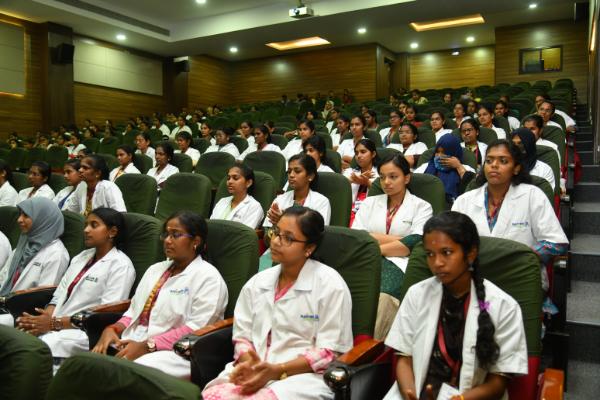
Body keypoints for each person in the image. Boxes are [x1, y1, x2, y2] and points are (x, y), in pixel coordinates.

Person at [203, 206, 353, 399]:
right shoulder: (258, 283)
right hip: (253, 370)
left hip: (303, 379)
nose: (275, 241)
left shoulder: (330, 286)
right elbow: (243, 335)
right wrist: (250, 364)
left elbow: (329, 351)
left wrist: (276, 370)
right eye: (275, 232)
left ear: (309, 248)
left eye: (288, 238)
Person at [383, 211, 528, 400]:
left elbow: (497, 383)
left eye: (447, 253)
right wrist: (411, 394)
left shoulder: (504, 306)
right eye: (430, 254)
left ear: (471, 254)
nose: (437, 263)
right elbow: (404, 358)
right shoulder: (417, 294)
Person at [92, 211, 228, 379]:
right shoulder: (154, 270)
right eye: (166, 234)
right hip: (133, 341)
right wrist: (112, 329)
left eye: (176, 235)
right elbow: (133, 312)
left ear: (196, 241)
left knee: (126, 373)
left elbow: (197, 328)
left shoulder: (209, 278)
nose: (167, 240)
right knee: (93, 364)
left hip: (176, 353)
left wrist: (147, 345)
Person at [16, 208, 135, 366]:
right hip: (58, 322)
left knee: (40, 346)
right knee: (20, 336)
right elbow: (59, 294)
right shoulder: (81, 257)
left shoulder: (121, 266)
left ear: (112, 232)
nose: (86, 230)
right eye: (86, 225)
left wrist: (54, 323)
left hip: (84, 331)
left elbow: (105, 313)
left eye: (94, 225)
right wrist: (46, 317)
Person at [451, 140, 568, 289]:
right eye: (489, 160)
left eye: (503, 161)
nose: (494, 165)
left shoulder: (533, 195)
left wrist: (519, 258)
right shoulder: (464, 201)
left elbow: (557, 243)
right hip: (474, 279)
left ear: (516, 168)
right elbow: (450, 241)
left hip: (520, 278)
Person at [352, 154, 433, 338]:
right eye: (382, 177)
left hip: (401, 264)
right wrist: (400, 240)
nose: (386, 182)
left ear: (407, 178)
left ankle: (371, 348)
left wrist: (374, 243)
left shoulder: (422, 206)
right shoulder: (370, 203)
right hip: (366, 260)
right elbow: (358, 237)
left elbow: (415, 242)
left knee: (384, 297)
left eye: (393, 176)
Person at [0, 198, 69, 326]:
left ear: (43, 219)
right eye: (20, 214)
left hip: (22, 314)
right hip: (3, 305)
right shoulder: (24, 243)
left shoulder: (56, 254)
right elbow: (3, 277)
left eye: (26, 215)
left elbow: (41, 297)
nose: (19, 220)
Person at [264, 154, 331, 228]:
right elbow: (267, 230)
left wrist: (282, 221)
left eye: (297, 171)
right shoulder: (280, 199)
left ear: (310, 176)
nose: (291, 175)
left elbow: (319, 232)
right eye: (289, 171)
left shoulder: (321, 202)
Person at [415, 135, 475, 206]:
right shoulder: (426, 166)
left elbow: (472, 187)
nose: (439, 156)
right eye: (437, 152)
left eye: (444, 152)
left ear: (454, 153)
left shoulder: (466, 169)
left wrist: (458, 166)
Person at [210, 163, 265, 229]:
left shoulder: (254, 206)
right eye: (228, 178)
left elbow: (245, 233)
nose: (230, 181)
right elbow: (211, 225)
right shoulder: (222, 201)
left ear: (248, 183)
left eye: (235, 178)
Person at [344, 139, 379, 224]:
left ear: (373, 154)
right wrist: (352, 180)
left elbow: (381, 192)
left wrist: (366, 182)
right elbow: (340, 186)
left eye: (363, 152)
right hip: (348, 213)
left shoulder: (381, 174)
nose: (358, 156)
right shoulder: (350, 172)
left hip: (371, 215)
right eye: (356, 153)